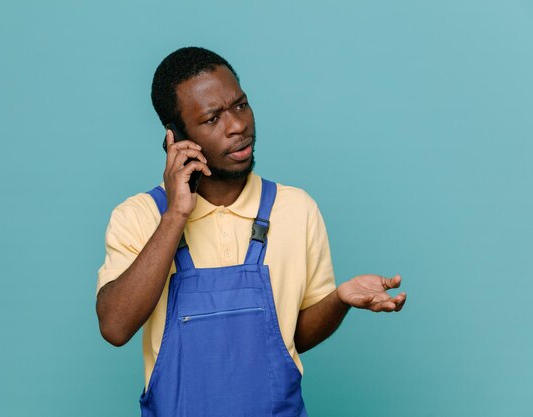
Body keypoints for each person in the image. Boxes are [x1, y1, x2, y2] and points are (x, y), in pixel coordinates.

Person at [96, 46, 407, 417]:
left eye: (240, 105)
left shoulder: (296, 209)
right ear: (175, 138)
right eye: (213, 119)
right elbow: (115, 327)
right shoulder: (139, 216)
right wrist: (176, 215)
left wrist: (339, 300)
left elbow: (292, 336)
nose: (237, 125)